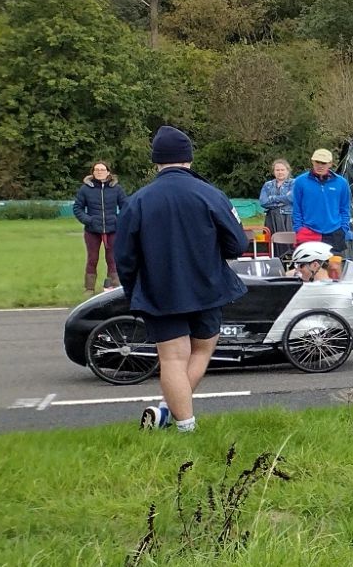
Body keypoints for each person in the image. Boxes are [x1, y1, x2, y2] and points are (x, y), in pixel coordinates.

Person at [117, 126, 248, 433]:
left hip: (159, 291)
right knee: (201, 350)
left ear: (157, 161)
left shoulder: (138, 201)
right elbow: (237, 243)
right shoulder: (211, 194)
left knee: (173, 359)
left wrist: (132, 290)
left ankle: (181, 423)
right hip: (208, 286)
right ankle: (168, 413)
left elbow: (124, 256)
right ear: (189, 158)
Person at [74, 159, 126, 293]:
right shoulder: (85, 189)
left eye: (102, 170)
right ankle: (89, 289)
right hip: (92, 230)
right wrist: (88, 220)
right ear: (93, 172)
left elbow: (125, 206)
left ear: (108, 172)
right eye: (97, 170)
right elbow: (77, 208)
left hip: (112, 230)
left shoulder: (116, 188)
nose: (99, 172)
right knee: (92, 259)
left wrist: (117, 220)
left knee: (113, 259)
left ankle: (114, 288)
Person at [290, 147, 353, 257]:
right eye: (317, 162)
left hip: (335, 231)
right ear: (312, 161)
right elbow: (297, 208)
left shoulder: (341, 183)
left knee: (334, 268)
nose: (320, 165)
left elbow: (345, 208)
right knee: (308, 268)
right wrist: (299, 229)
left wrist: (343, 228)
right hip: (308, 231)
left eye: (323, 163)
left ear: (330, 164)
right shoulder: (300, 181)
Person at [258, 158, 295, 259]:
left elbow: (291, 198)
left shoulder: (294, 183)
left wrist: (272, 199)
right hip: (271, 218)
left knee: (289, 243)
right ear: (274, 171)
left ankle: (290, 265)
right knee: (271, 243)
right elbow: (263, 202)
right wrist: (281, 201)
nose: (280, 172)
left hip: (288, 218)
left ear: (288, 171)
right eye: (277, 170)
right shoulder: (267, 185)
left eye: (282, 170)